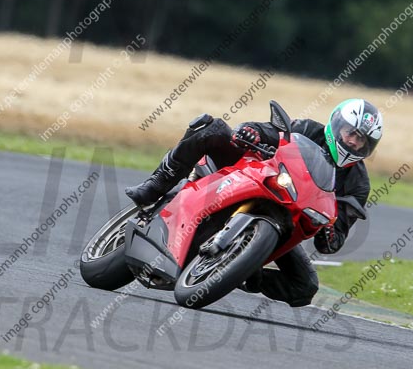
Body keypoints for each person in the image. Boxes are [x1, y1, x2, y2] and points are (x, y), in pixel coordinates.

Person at [125, 98, 384, 307]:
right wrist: (251, 132)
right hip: (257, 177)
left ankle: (241, 269)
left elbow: (334, 240)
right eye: (351, 133)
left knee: (304, 289)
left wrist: (330, 229)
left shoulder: (358, 184)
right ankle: (156, 184)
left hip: (286, 221)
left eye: (361, 140)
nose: (353, 141)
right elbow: (270, 131)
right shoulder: (307, 129)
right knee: (212, 128)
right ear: (337, 125)